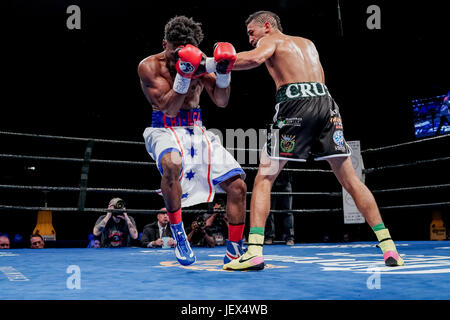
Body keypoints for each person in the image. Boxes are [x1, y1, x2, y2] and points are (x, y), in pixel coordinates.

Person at [222, 11, 404, 270]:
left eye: (252, 33)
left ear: (266, 26)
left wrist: (213, 62)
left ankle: (253, 251)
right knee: (351, 180)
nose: (250, 39)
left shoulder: (271, 40)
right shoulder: (308, 43)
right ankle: (390, 248)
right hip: (327, 106)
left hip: (294, 104)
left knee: (264, 177)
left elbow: (254, 59)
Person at [138, 15, 247, 266]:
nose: (178, 57)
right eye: (174, 51)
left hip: (196, 130)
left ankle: (233, 250)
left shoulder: (199, 61)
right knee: (172, 164)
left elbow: (221, 101)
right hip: (163, 129)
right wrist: (184, 74)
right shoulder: (149, 66)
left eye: (184, 52)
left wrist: (223, 74)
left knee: (238, 186)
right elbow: (169, 109)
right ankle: (179, 235)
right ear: (164, 42)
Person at [264, 170, 295, 245]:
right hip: (269, 179)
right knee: (269, 210)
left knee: (287, 211)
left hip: (285, 179)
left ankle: (290, 237)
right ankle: (269, 236)